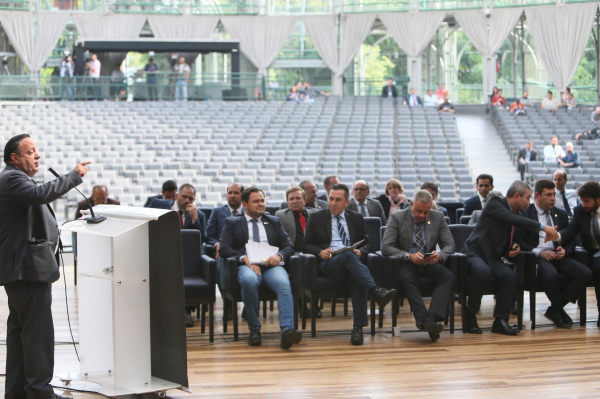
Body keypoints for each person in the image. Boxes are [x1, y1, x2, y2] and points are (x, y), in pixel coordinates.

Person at [0, 133, 90, 399]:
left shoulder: (15, 178)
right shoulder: (12, 177)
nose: (37, 155)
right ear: (14, 158)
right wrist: (73, 175)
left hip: (23, 271)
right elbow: (41, 194)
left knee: (20, 336)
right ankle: (39, 392)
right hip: (26, 271)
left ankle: (18, 392)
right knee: (37, 336)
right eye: (31, 151)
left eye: (36, 150)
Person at [459, 180, 559, 336]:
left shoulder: (517, 214)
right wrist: (543, 227)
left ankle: (500, 321)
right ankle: (470, 316)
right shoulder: (495, 202)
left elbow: (515, 237)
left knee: (509, 276)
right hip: (475, 253)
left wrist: (515, 247)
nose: (529, 202)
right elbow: (512, 221)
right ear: (517, 196)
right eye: (527, 197)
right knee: (482, 272)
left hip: (493, 258)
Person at [302, 184, 397, 345]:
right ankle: (375, 291)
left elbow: (368, 243)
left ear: (346, 202)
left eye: (338, 200)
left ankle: (358, 329)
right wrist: (319, 252)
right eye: (331, 198)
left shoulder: (355, 217)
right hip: (329, 263)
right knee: (348, 257)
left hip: (351, 264)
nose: (333, 203)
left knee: (355, 273)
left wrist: (361, 252)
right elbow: (305, 245)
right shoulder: (317, 217)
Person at [219, 187, 302, 349]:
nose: (261, 204)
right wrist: (244, 258)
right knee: (249, 281)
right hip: (248, 265)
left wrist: (279, 256)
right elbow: (224, 248)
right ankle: (254, 329)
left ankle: (287, 330)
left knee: (284, 284)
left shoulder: (273, 221)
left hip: (271, 265)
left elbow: (288, 246)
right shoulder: (233, 222)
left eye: (262, 201)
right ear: (244, 204)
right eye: (256, 201)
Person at [516, 179, 591, 329]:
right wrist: (539, 253)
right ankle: (557, 310)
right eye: (548, 195)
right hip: (537, 257)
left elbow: (570, 239)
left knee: (586, 274)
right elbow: (519, 241)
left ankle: (555, 309)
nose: (552, 198)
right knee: (551, 276)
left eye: (554, 195)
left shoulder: (561, 214)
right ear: (537, 195)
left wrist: (565, 250)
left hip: (558, 255)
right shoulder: (525, 213)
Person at [381, 190, 455, 342]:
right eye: (418, 211)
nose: (422, 215)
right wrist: (408, 256)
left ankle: (431, 318)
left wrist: (439, 256)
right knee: (407, 278)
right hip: (407, 262)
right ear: (411, 204)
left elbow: (450, 245)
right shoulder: (397, 217)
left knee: (447, 275)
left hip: (428, 261)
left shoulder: (438, 217)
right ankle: (423, 319)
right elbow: (386, 247)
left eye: (426, 212)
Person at [148, 183, 206, 327]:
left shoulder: (199, 215)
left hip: (186, 256)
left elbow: (201, 240)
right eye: (184, 196)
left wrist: (194, 219)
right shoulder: (159, 206)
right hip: (162, 251)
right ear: (176, 196)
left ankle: (186, 312)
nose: (187, 200)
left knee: (191, 266)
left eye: (191, 198)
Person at [557, 181, 600, 326]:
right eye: (582, 201)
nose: (584, 205)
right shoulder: (580, 212)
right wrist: (556, 236)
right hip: (594, 254)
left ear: (598, 199)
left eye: (587, 201)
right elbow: (570, 232)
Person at [206, 182, 245, 258]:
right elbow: (209, 236)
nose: (232, 196)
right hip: (222, 254)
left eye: (236, 193)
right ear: (226, 195)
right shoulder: (217, 212)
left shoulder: (248, 213)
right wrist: (216, 244)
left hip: (243, 254)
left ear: (243, 195)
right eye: (230, 193)